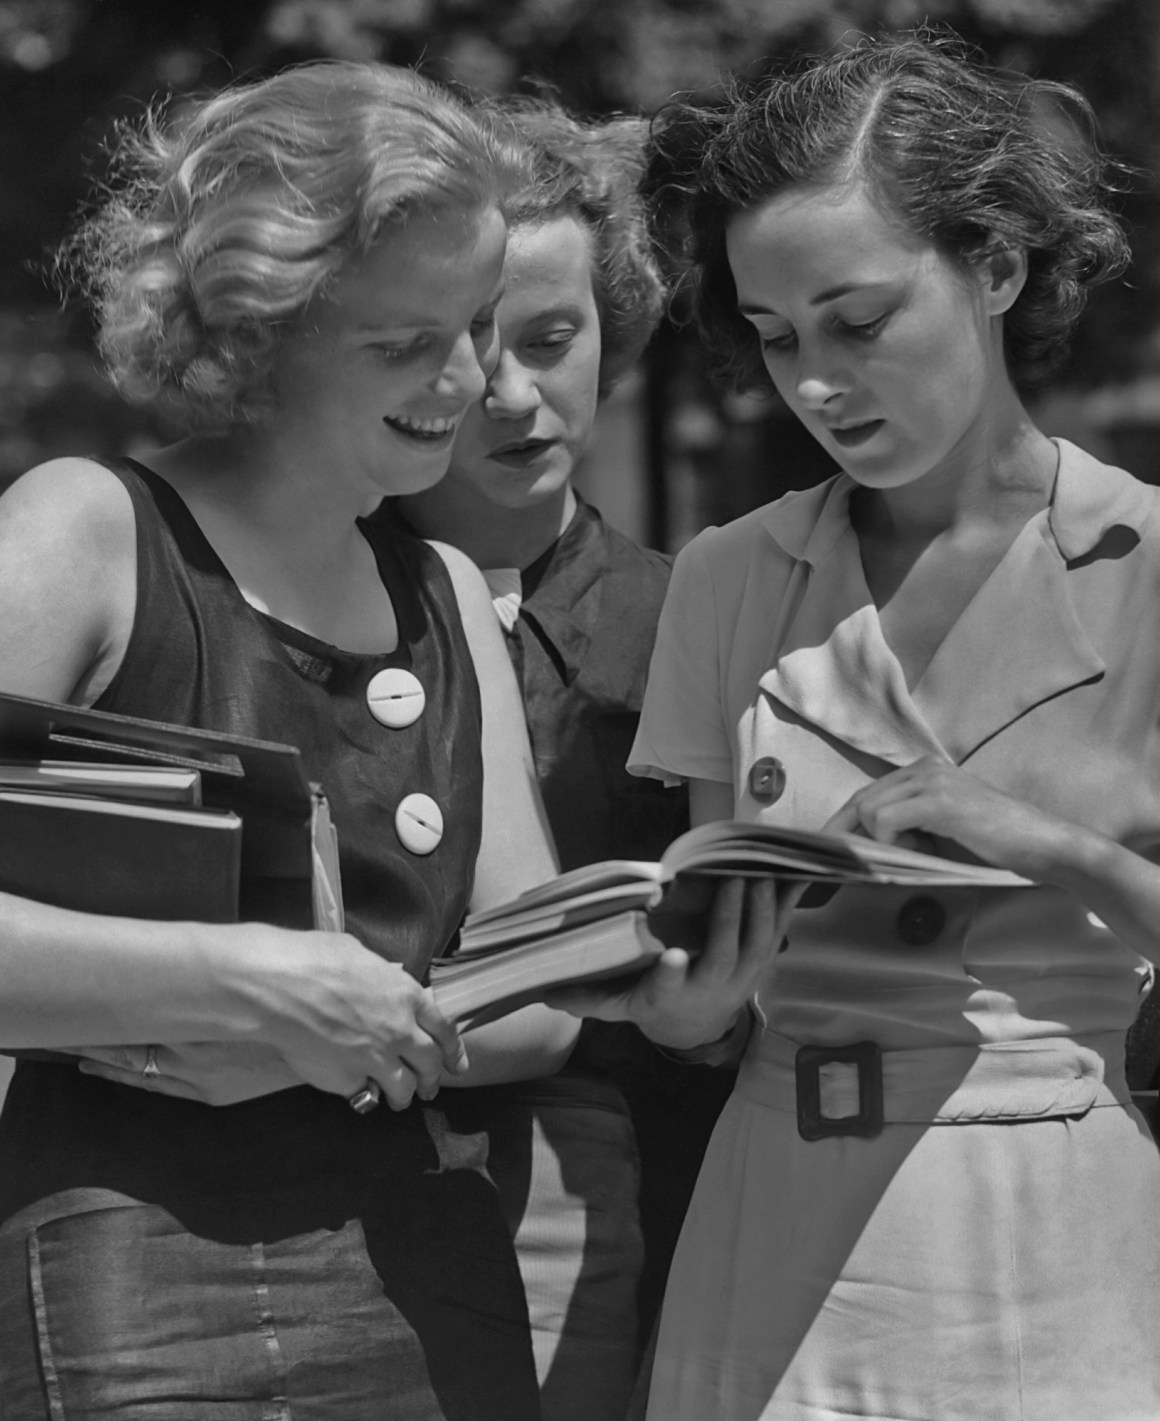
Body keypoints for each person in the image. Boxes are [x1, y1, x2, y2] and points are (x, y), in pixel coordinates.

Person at [554, 30, 1160, 1420]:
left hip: (1048, 1222)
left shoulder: (1150, 565)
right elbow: (711, 961)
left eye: (859, 321)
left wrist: (1029, 838)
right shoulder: (726, 574)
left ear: (997, 269)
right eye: (774, 338)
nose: (815, 382)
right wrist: (688, 1006)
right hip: (777, 1219)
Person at [0, 60, 587, 1420]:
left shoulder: (440, 588)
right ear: (255, 331)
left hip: (427, 1270)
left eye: (481, 321)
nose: (473, 379)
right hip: (133, 1281)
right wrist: (243, 981)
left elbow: (543, 989)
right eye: (402, 342)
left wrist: (335, 1026)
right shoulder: (82, 532)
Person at [395, 100, 734, 1420]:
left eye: (552, 340)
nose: (514, 396)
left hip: (635, 1205)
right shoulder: (294, 597)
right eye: (468, 352)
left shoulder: (703, 614)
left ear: (617, 331)